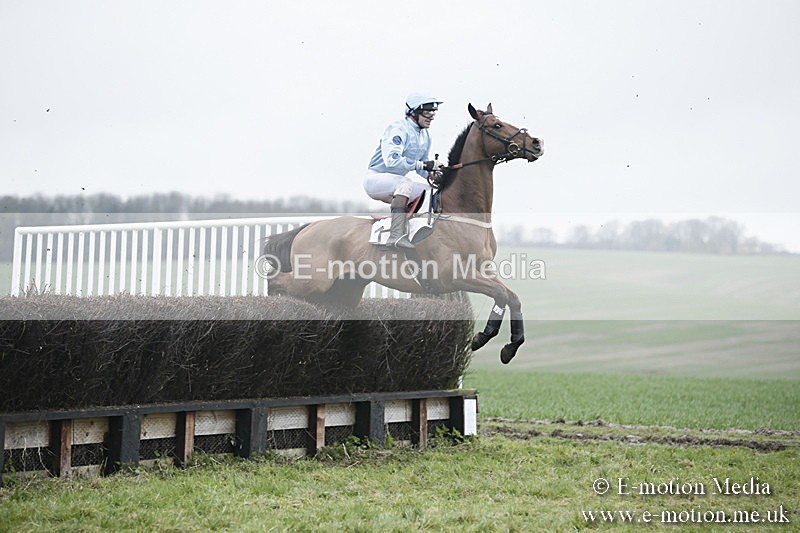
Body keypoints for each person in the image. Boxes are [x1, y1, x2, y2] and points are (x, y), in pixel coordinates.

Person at [364, 92, 445, 249]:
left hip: (397, 184)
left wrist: (436, 175)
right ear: (413, 112)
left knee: (430, 192)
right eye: (427, 112)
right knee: (405, 182)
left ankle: (415, 230)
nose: (431, 117)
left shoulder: (425, 136)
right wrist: (424, 165)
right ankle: (395, 235)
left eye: (433, 113)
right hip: (375, 179)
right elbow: (392, 160)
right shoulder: (398, 128)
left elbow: (422, 167)